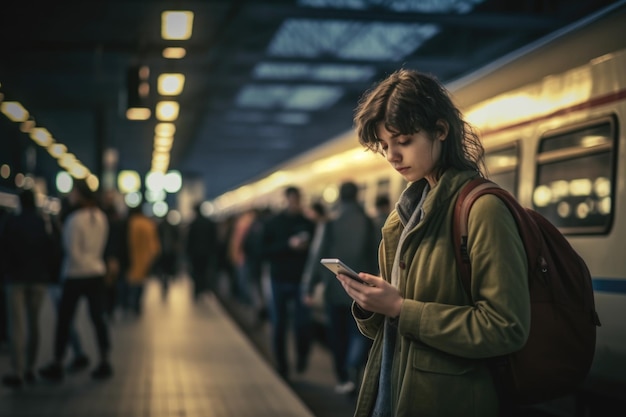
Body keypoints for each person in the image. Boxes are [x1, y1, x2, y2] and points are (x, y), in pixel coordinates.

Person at [335, 69, 530, 417]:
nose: (393, 155)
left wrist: (399, 308)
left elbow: (506, 328)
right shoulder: (404, 216)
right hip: (396, 393)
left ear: (441, 131)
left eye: (404, 141)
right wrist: (371, 305)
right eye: (385, 146)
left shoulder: (483, 209)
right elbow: (391, 326)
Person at [303, 182, 379, 396]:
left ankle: (343, 376)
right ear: (357, 196)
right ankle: (353, 365)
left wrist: (308, 287)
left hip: (335, 290)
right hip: (362, 291)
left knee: (337, 336)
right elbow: (376, 256)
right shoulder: (368, 222)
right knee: (359, 333)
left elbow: (316, 256)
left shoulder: (330, 223)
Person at [39, 178, 114, 381]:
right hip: (96, 272)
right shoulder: (101, 217)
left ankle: (57, 362)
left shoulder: (74, 220)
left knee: (64, 319)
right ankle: (104, 359)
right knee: (98, 318)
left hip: (75, 274)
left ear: (80, 195)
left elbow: (71, 251)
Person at [0, 189, 54, 388]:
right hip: (38, 279)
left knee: (17, 326)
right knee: (34, 324)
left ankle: (18, 371)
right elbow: (51, 248)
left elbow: (3, 248)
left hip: (15, 279)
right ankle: (31, 368)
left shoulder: (11, 222)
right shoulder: (42, 223)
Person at [261, 186, 316, 379]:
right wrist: (288, 246)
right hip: (278, 279)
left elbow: (316, 252)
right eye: (292, 199)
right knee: (279, 324)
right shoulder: (274, 223)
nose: (294, 203)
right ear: (286, 200)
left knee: (302, 324)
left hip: (301, 280)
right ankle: (282, 365)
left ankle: (302, 357)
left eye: (297, 199)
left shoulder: (308, 223)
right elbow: (264, 250)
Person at [122, 205, 161, 316]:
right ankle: (137, 304)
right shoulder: (148, 224)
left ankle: (128, 304)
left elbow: (128, 242)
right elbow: (154, 244)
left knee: (130, 282)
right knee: (141, 282)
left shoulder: (131, 223)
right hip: (145, 257)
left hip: (131, 257)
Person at [185, 202, 218, 301]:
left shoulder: (193, 224)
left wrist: (188, 253)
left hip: (195, 253)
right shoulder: (209, 222)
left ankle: (197, 290)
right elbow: (214, 238)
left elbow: (189, 240)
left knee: (196, 272)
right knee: (205, 271)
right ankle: (205, 289)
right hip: (207, 253)